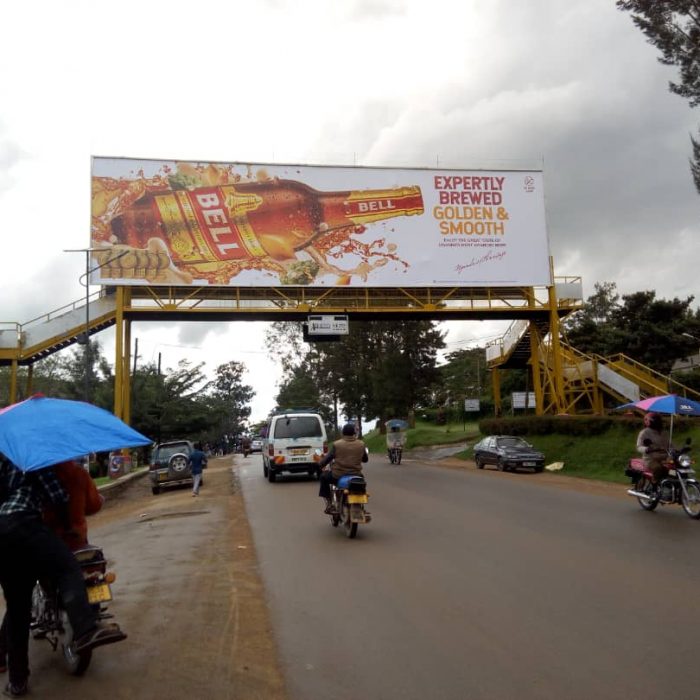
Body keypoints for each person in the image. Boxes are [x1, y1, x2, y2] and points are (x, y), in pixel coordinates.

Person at [0, 455, 125, 697]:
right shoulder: (36, 459)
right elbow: (57, 495)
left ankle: (17, 682)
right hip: (28, 525)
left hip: (3, 535)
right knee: (68, 569)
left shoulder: (4, 459)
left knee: (17, 610)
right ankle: (85, 628)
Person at [318, 423, 368, 514]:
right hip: (356, 475)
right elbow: (365, 459)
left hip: (338, 475)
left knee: (323, 477)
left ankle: (330, 504)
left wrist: (320, 465)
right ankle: (361, 505)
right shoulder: (361, 444)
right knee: (361, 483)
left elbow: (328, 458)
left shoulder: (337, 444)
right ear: (354, 433)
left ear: (343, 433)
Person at [636, 412, 672, 484]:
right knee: (658, 468)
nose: (656, 423)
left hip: (665, 457)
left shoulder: (664, 433)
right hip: (650, 459)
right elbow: (639, 447)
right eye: (654, 421)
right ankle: (655, 486)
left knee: (673, 468)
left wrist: (679, 450)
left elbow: (670, 444)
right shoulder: (644, 432)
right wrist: (647, 449)